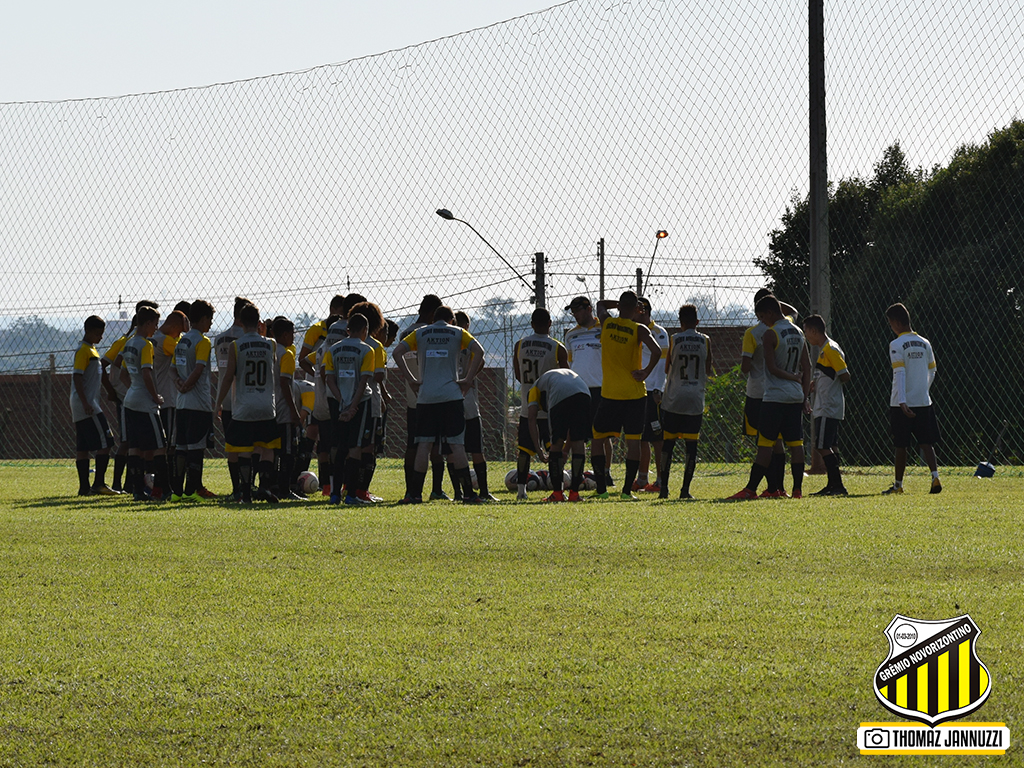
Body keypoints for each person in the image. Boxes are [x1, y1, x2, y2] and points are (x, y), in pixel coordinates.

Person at [393, 305, 486, 504]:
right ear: (451, 320)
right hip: (451, 395)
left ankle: (415, 494)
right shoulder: (458, 332)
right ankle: (468, 494)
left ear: (433, 319)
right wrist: (468, 378)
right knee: (456, 445)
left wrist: (411, 379)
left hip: (426, 396)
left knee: (424, 445)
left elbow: (397, 352)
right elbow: (479, 351)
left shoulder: (420, 333)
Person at [729, 295, 811, 500]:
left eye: (763, 316)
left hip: (774, 397)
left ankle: (750, 489)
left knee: (765, 445)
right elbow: (807, 367)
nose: (762, 321)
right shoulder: (799, 332)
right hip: (795, 395)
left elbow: (772, 369)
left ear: (771, 313)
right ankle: (797, 491)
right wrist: (804, 394)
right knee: (796, 444)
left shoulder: (770, 334)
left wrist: (790, 376)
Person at [592, 291, 663, 499]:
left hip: (610, 394)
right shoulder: (638, 329)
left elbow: (600, 304)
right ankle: (625, 492)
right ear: (636, 310)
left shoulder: (607, 323)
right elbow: (657, 351)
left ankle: (601, 490)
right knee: (633, 441)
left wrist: (623, 305)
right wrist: (645, 373)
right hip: (634, 394)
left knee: (598, 438)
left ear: (620, 307)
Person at [215, 303, 280, 504]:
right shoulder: (271, 344)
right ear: (259, 321)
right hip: (266, 406)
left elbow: (228, 377)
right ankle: (265, 487)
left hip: (243, 405)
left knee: (244, 448)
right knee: (268, 448)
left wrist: (218, 403)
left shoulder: (236, 345)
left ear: (241, 322)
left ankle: (245, 493)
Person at [740, 289, 798, 496]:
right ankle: (779, 487)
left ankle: (770, 487)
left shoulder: (753, 333)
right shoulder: (788, 326)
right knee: (779, 442)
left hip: (758, 392)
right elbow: (794, 311)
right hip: (781, 390)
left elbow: (745, 367)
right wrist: (774, 302)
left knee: (763, 442)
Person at [883, 302, 941, 495]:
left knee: (901, 445)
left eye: (890, 323)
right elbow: (932, 370)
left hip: (902, 403)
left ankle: (898, 485)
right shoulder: (925, 343)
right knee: (927, 442)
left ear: (896, 322)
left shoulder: (896, 344)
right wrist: (923, 389)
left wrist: (902, 400)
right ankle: (935, 477)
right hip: (924, 400)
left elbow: (899, 372)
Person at [102, 299, 158, 493]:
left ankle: (132, 484)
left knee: (136, 443)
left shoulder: (135, 342)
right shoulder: (128, 342)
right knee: (129, 442)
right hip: (130, 396)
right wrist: (112, 389)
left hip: (133, 395)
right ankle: (120, 482)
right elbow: (111, 363)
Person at [512, 308, 568, 499]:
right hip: (550, 407)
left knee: (524, 451)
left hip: (529, 405)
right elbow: (565, 378)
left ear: (531, 324)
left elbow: (518, 375)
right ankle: (558, 489)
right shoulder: (558, 347)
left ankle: (521, 491)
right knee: (555, 448)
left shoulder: (519, 345)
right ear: (550, 323)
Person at [659, 304, 713, 499]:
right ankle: (685, 490)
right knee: (691, 447)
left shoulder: (674, 339)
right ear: (697, 322)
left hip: (674, 397)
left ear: (680, 322)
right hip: (694, 399)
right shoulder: (705, 340)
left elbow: (667, 369)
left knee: (668, 444)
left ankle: (663, 488)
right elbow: (707, 369)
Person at [322, 313, 376, 505]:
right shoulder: (367, 350)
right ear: (365, 331)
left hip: (339, 403)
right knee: (356, 448)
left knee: (340, 448)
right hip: (360, 404)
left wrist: (342, 401)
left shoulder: (333, 349)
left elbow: (329, 378)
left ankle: (335, 494)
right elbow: (363, 381)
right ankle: (351, 495)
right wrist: (353, 405)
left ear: (347, 330)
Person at [399, 294, 449, 500]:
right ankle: (436, 490)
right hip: (433, 394)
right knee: (436, 444)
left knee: (412, 444)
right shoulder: (430, 333)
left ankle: (411, 489)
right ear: (432, 314)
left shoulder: (405, 334)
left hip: (413, 397)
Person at [117, 306, 166, 501]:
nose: (156, 328)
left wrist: (133, 388)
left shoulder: (128, 343)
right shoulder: (146, 345)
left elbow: (122, 374)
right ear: (146, 324)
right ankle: (160, 490)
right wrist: (154, 396)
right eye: (155, 324)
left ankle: (137, 490)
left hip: (130, 400)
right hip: (145, 403)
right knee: (160, 446)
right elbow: (146, 374)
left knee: (135, 447)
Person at [564, 296, 613, 486]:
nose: (575, 315)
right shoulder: (570, 335)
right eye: (573, 311)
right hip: (578, 389)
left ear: (589, 309)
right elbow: (569, 363)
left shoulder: (604, 327)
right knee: (577, 434)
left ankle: (606, 473)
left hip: (602, 387)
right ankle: (579, 474)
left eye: (578, 310)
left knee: (602, 434)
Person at [171, 300, 217, 501]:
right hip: (198, 403)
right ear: (204, 318)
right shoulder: (203, 341)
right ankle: (192, 492)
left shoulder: (181, 341)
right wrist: (188, 384)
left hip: (181, 403)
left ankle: (176, 492)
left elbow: (173, 368)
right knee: (196, 448)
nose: (211, 324)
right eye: (211, 320)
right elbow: (199, 369)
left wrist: (179, 384)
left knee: (181, 447)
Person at [802, 314, 851, 496]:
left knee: (822, 446)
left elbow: (844, 374)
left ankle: (837, 485)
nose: (806, 336)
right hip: (827, 404)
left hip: (827, 405)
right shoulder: (825, 349)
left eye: (807, 332)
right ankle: (833, 485)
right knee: (831, 445)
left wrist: (830, 382)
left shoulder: (830, 349)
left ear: (814, 331)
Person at [527, 368, 592, 502]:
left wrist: (538, 450)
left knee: (555, 443)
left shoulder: (534, 389)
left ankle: (557, 493)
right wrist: (566, 450)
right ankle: (574, 494)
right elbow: (570, 430)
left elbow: (531, 418)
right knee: (578, 442)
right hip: (584, 392)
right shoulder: (551, 378)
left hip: (560, 393)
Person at [70, 315, 118, 496]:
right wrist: (85, 401)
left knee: (83, 448)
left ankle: (84, 488)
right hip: (88, 406)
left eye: (102, 333)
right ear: (87, 331)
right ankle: (98, 484)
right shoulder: (84, 351)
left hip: (84, 404)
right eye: (98, 333)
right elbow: (77, 376)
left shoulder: (91, 349)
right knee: (107, 442)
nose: (101, 337)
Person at [455, 311, 496, 501]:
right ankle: (485, 491)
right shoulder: (467, 340)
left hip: (450, 396)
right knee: (476, 448)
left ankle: (458, 492)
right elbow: (482, 359)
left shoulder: (449, 341)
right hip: (468, 397)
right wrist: (469, 378)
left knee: (455, 448)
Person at [215, 297, 253, 498]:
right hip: (243, 398)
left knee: (231, 445)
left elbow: (223, 371)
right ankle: (248, 486)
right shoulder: (246, 340)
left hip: (225, 398)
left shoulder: (219, 339)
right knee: (249, 446)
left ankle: (235, 488)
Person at [634, 297, 670, 492]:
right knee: (641, 437)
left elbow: (663, 366)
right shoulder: (634, 331)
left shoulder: (659, 333)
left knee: (657, 438)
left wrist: (659, 390)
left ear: (643, 311)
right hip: (638, 392)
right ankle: (642, 479)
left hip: (653, 393)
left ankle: (661, 480)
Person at [152, 310, 188, 496]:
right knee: (170, 446)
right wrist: (190, 333)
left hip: (156, 395)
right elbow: (186, 350)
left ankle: (158, 486)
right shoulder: (167, 341)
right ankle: (168, 486)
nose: (180, 336)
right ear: (174, 328)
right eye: (179, 332)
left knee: (158, 446)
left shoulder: (154, 339)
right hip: (168, 397)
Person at [271, 317, 303, 500]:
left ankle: (271, 486)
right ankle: (285, 489)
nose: (293, 337)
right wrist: (294, 410)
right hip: (283, 409)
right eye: (292, 333)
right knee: (288, 452)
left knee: (272, 451)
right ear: (284, 335)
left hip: (269, 408)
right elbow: (285, 382)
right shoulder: (286, 354)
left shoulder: (269, 350)